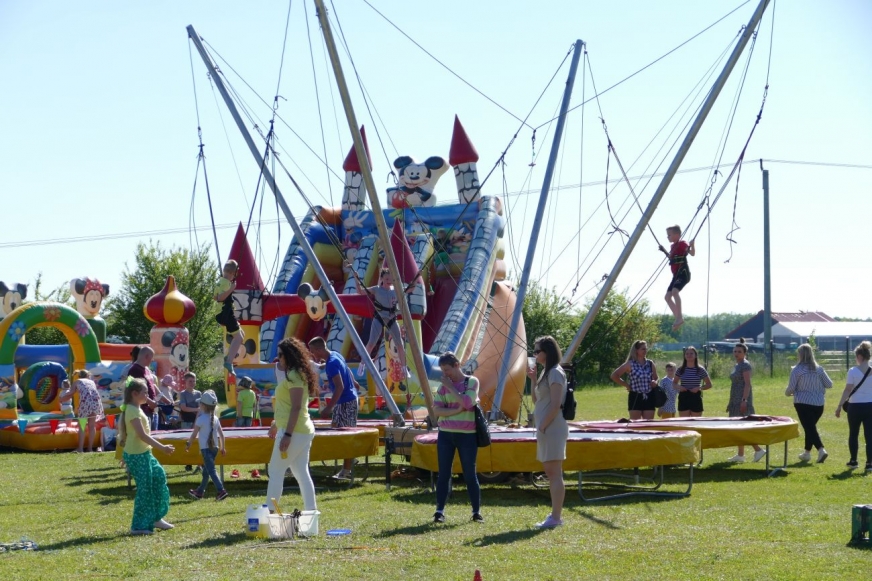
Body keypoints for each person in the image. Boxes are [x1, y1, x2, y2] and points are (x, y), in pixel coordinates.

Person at [266, 338, 318, 512]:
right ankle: (311, 512)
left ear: (288, 355)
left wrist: (287, 434)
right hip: (301, 430)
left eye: (280, 355)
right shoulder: (295, 374)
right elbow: (288, 406)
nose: (278, 358)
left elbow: (296, 407)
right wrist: (276, 424)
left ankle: (270, 512)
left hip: (294, 431)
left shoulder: (294, 375)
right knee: (301, 473)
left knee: (275, 471)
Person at [118, 378, 175, 535]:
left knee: (159, 477)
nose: (148, 395)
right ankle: (138, 526)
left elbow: (129, 435)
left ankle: (156, 518)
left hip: (144, 453)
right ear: (135, 394)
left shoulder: (137, 408)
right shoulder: (131, 410)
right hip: (138, 455)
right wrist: (162, 448)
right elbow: (141, 435)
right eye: (145, 392)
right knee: (145, 489)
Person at [432, 351, 482, 524]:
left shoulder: (472, 382)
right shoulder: (442, 386)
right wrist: (455, 410)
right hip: (446, 434)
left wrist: (452, 390)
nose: (445, 374)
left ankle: (476, 512)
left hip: (467, 435)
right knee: (443, 473)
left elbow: (468, 403)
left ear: (457, 365)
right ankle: (439, 511)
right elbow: (437, 410)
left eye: (447, 370)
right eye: (442, 371)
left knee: (469, 474)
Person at [527, 336, 569, 529]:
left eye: (537, 351)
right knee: (551, 472)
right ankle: (555, 514)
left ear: (547, 352)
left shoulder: (555, 373)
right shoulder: (546, 372)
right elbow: (537, 401)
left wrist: (543, 425)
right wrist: (533, 379)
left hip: (552, 427)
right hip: (545, 427)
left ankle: (556, 517)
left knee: (554, 474)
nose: (535, 354)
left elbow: (556, 404)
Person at [308, 336, 359, 479]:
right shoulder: (335, 355)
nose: (313, 354)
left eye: (313, 351)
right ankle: (348, 461)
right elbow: (347, 368)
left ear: (319, 349)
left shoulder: (331, 364)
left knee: (346, 435)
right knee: (336, 430)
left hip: (346, 401)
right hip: (343, 401)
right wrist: (354, 381)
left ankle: (347, 470)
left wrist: (329, 408)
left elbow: (339, 387)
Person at [354, 267, 414, 378]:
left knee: (400, 345)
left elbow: (410, 289)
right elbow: (360, 291)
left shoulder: (396, 289)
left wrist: (415, 278)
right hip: (379, 318)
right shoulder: (376, 289)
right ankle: (362, 364)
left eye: (391, 279)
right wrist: (356, 279)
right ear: (381, 278)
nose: (389, 281)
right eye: (386, 278)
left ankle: (404, 368)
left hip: (391, 319)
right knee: (371, 343)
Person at [786, 343, 832, 463]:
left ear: (800, 355)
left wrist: (787, 393)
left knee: (810, 427)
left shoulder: (797, 370)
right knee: (810, 427)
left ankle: (821, 449)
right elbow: (829, 384)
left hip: (802, 403)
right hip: (818, 404)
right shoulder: (819, 369)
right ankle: (807, 452)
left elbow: (790, 389)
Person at [727, 339, 766, 463]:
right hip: (735, 399)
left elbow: (747, 384)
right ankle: (740, 455)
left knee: (742, 427)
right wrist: (730, 401)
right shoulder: (737, 365)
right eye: (735, 351)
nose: (736, 353)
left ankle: (758, 449)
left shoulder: (745, 365)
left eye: (739, 351)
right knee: (737, 427)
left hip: (742, 399)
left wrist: (744, 400)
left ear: (744, 353)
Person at [835, 341, 872, 471]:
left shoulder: (853, 371)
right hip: (870, 406)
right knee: (870, 435)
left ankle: (853, 460)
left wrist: (839, 405)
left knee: (853, 434)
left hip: (855, 406)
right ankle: (869, 463)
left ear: (859, 357)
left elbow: (847, 390)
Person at [186, 390, 228, 501]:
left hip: (206, 449)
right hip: (215, 448)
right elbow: (222, 435)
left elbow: (194, 434)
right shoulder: (216, 419)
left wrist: (188, 444)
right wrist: (223, 448)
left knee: (211, 470)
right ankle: (199, 492)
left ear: (203, 406)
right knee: (206, 471)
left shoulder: (200, 419)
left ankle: (221, 490)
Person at [610, 340, 659, 420]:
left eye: (646, 349)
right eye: (643, 349)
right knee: (635, 424)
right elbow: (614, 375)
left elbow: (656, 377)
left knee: (648, 423)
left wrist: (655, 382)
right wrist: (626, 385)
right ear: (636, 350)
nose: (645, 351)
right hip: (635, 396)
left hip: (649, 396)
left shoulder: (650, 363)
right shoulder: (630, 364)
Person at [659, 225, 695, 331]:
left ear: (677, 235)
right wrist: (664, 250)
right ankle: (679, 317)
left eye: (669, 235)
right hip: (675, 276)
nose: (668, 237)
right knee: (667, 297)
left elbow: (692, 253)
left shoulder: (683, 244)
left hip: (683, 273)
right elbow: (670, 257)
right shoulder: (672, 247)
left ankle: (679, 317)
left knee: (675, 292)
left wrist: (692, 245)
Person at [60, 370, 104, 452]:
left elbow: (71, 393)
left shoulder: (77, 381)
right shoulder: (91, 382)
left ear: (79, 376)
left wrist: (62, 398)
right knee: (92, 426)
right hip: (96, 402)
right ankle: (90, 448)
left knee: (82, 426)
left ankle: (80, 448)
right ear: (88, 376)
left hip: (85, 403)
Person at [215, 259, 243, 376]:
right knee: (239, 338)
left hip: (224, 313)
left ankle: (229, 355)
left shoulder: (222, 281)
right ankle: (229, 361)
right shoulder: (225, 283)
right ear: (233, 273)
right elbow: (218, 298)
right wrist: (231, 288)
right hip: (225, 313)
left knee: (241, 334)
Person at [127, 346, 160, 430]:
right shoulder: (135, 370)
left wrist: (165, 399)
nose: (152, 360)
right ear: (146, 356)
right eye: (152, 357)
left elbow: (153, 385)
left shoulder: (146, 369)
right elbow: (137, 391)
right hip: (142, 410)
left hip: (150, 410)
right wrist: (150, 402)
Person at [675, 346, 712, 418]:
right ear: (684, 356)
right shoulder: (680, 369)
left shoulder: (700, 369)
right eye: (687, 354)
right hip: (684, 396)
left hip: (695, 397)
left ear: (695, 355)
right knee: (684, 422)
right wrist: (679, 387)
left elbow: (709, 384)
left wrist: (699, 388)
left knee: (696, 422)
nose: (689, 355)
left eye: (691, 353)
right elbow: (674, 383)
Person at [178, 372, 202, 472]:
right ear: (185, 382)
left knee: (198, 442)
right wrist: (196, 410)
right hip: (187, 420)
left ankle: (199, 463)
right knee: (187, 441)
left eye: (194, 381)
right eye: (190, 381)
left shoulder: (198, 393)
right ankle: (188, 463)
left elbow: (202, 408)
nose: (192, 383)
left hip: (198, 421)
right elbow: (184, 407)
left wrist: (198, 413)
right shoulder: (183, 394)